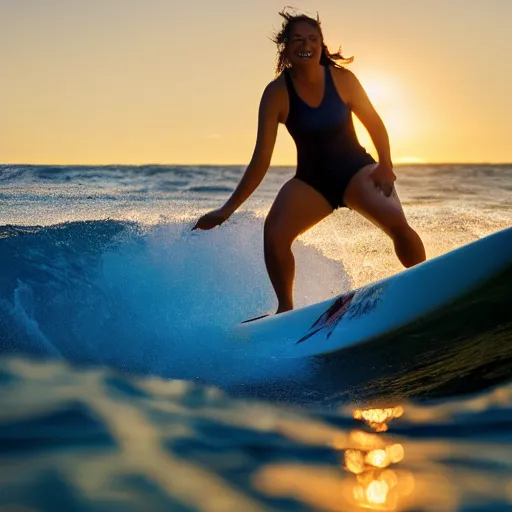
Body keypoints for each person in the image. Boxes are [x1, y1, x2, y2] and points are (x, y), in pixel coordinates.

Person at [192, 9, 426, 314]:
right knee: (274, 235)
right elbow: (261, 160)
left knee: (395, 221)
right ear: (286, 48)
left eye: (313, 39)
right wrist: (226, 210)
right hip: (312, 181)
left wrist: (385, 165)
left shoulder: (342, 80)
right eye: (298, 39)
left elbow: (374, 123)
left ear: (321, 45)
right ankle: (285, 310)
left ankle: (424, 283)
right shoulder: (277, 93)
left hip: (356, 169)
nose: (306, 45)